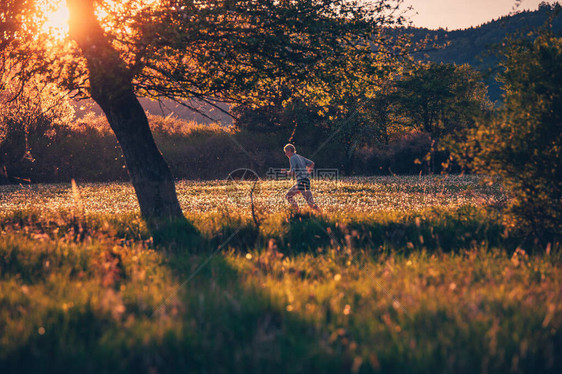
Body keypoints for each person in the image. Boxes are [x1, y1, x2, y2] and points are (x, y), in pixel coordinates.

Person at [281, 144, 321, 212]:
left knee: (289, 196)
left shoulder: (292, 158)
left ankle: (297, 212)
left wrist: (285, 172)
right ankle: (298, 213)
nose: (285, 154)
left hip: (301, 183)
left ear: (290, 151)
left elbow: (292, 172)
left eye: (286, 152)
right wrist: (307, 173)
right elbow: (312, 163)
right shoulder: (299, 157)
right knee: (310, 202)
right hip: (305, 181)